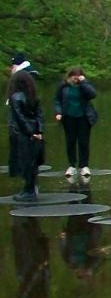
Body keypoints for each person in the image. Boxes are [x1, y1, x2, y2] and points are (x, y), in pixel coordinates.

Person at [52, 66, 98, 183]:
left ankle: (84, 166)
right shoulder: (63, 86)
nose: (75, 79)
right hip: (68, 117)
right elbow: (57, 100)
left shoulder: (84, 86)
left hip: (83, 117)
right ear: (69, 76)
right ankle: (72, 165)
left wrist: (84, 82)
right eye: (74, 77)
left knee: (83, 142)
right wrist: (58, 112)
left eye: (78, 77)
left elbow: (93, 94)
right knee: (70, 141)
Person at [7, 67, 45, 202]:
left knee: (24, 161)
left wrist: (30, 133)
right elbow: (40, 115)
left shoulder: (15, 97)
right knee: (32, 161)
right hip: (34, 132)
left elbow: (19, 117)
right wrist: (38, 131)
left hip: (22, 134)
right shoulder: (33, 97)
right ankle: (29, 189)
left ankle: (29, 190)